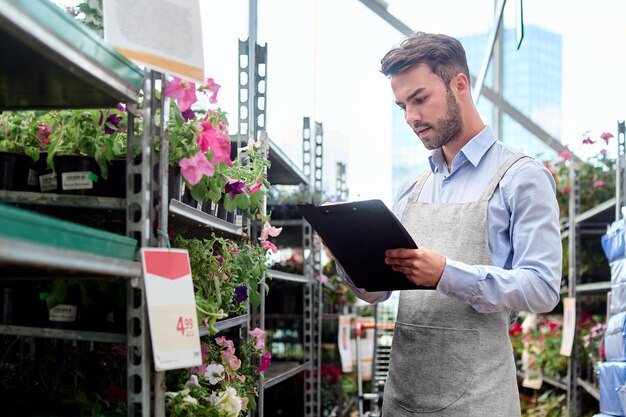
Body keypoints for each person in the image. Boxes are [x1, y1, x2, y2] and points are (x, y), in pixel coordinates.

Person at [338, 32, 562, 416]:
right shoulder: (412, 189)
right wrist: (348, 256)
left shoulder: (520, 177)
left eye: (420, 99)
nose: (411, 117)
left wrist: (445, 273)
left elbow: (542, 288)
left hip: (480, 401)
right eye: (402, 105)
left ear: (460, 84)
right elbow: (377, 294)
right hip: (403, 398)